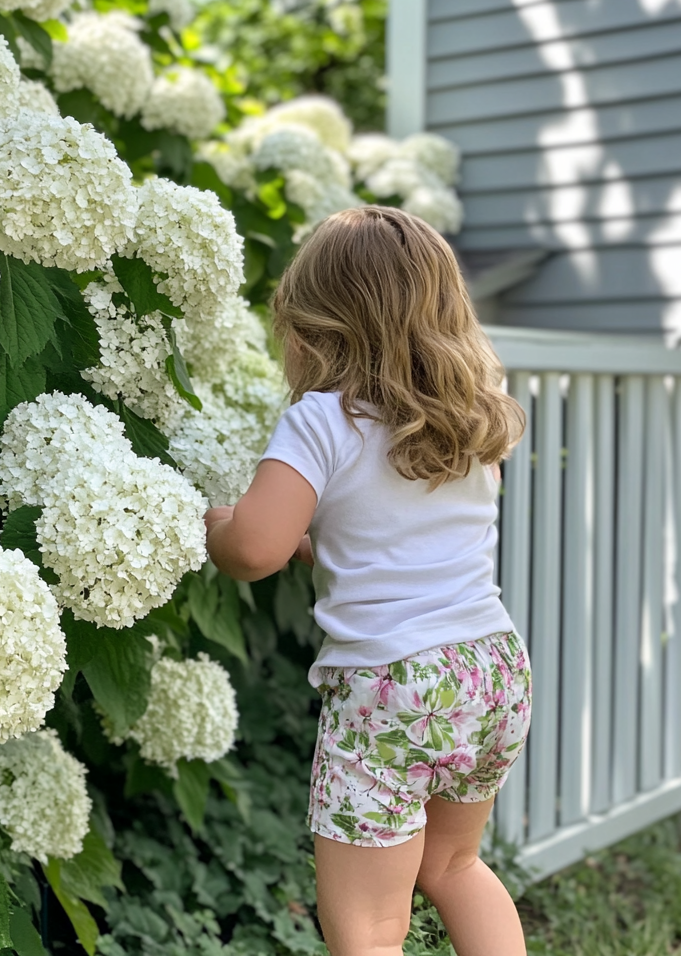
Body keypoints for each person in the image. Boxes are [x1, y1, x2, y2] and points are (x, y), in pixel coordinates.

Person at [204, 206, 532, 956]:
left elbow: (253, 549)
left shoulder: (321, 420)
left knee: (372, 929)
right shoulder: (469, 424)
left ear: (315, 325)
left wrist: (219, 526)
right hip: (490, 668)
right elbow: (397, 543)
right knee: (455, 865)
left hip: (393, 687)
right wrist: (314, 546)